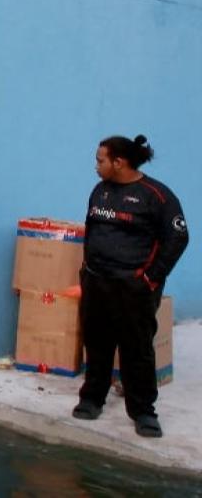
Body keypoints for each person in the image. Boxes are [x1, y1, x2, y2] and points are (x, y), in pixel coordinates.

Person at [72, 135, 188, 438]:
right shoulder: (100, 192)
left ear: (118, 162)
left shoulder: (157, 196)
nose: (96, 166)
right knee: (96, 342)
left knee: (136, 349)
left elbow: (178, 238)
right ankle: (92, 398)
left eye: (100, 160)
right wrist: (86, 272)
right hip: (97, 282)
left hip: (133, 288)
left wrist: (151, 278)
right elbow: (93, 233)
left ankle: (143, 411)